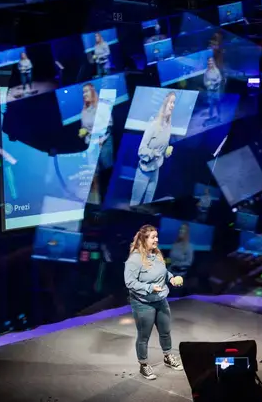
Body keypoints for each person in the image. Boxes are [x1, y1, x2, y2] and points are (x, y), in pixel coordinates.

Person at [124, 225, 184, 380]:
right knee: (144, 336)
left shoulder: (157, 254)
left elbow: (163, 272)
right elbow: (130, 283)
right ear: (144, 239)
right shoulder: (134, 259)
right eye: (153, 237)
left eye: (157, 236)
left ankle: (168, 357)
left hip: (161, 300)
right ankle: (144, 365)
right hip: (143, 303)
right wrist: (150, 287)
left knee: (165, 331)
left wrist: (171, 278)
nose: (156, 240)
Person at [129, 92, 176, 206]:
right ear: (164, 103)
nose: (172, 105)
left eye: (174, 103)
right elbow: (141, 150)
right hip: (143, 171)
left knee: (147, 204)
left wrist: (166, 152)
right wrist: (154, 153)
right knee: (135, 203)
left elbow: (162, 150)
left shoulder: (169, 125)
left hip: (156, 170)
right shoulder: (153, 124)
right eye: (171, 102)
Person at [78, 83, 114, 204]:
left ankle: (109, 200)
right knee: (94, 174)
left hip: (103, 145)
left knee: (106, 173)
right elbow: (84, 128)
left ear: (93, 92)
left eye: (86, 91)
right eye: (83, 92)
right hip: (91, 146)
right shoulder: (84, 111)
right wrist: (83, 135)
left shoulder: (102, 107)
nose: (84, 94)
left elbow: (108, 127)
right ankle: (97, 202)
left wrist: (99, 140)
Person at [204, 57, 223, 126]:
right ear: (208, 63)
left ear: (213, 62)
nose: (210, 63)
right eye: (209, 62)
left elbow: (220, 78)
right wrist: (208, 84)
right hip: (210, 92)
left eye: (211, 61)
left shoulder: (216, 70)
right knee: (211, 105)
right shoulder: (206, 72)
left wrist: (215, 83)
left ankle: (219, 117)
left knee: (218, 104)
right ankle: (211, 118)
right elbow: (205, 82)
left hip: (216, 91)